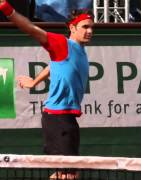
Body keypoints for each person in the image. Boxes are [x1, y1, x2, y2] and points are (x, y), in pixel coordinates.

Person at [0, 0, 94, 179]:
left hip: (67, 118)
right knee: (69, 175)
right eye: (85, 27)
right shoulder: (61, 44)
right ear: (73, 27)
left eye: (91, 27)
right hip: (58, 119)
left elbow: (54, 65)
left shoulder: (79, 50)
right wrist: (8, 10)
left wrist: (35, 81)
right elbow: (31, 29)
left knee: (64, 174)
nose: (90, 31)